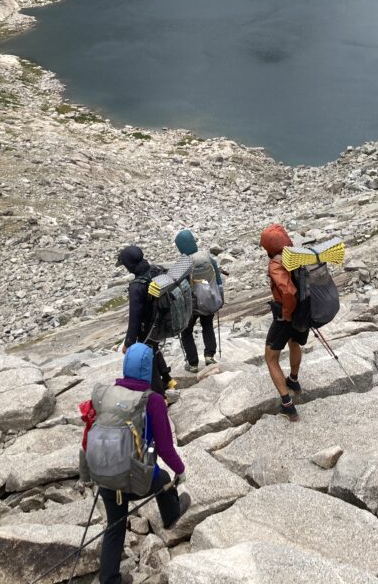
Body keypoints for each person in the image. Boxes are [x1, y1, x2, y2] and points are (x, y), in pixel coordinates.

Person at [95, 343, 190, 584]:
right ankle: (171, 516)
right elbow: (166, 449)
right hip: (136, 481)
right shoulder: (153, 401)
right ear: (148, 370)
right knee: (164, 478)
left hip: (105, 478)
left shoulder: (108, 394)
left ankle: (110, 580)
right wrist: (180, 470)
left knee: (114, 528)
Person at [260, 223, 305, 422]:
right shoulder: (295, 255)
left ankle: (288, 406)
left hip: (286, 314)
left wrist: (286, 313)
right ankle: (293, 381)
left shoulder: (275, 263)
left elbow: (288, 291)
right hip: (303, 311)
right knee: (294, 343)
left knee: (270, 358)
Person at [118, 245, 172, 395]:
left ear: (129, 266)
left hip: (147, 327)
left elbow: (134, 317)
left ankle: (160, 396)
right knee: (154, 349)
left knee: (148, 359)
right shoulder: (156, 269)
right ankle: (168, 379)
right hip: (161, 321)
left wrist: (128, 343)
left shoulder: (136, 287)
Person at [174, 228, 224, 372]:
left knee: (186, 331)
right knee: (207, 326)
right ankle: (209, 356)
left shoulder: (184, 263)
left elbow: (178, 284)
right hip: (209, 300)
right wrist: (220, 298)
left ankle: (193, 363)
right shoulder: (208, 258)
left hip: (191, 305)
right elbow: (219, 281)